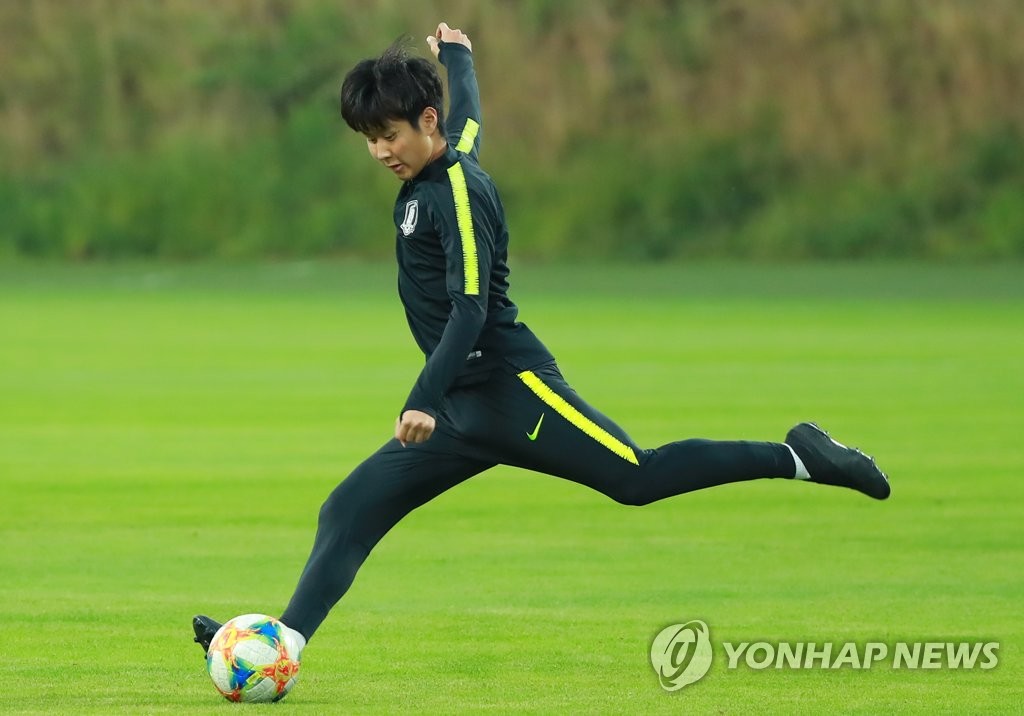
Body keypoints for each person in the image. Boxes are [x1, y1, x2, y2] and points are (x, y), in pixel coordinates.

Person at [193, 22, 889, 661]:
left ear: (426, 122)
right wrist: (459, 56)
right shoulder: (440, 157)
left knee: (636, 478)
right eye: (369, 138)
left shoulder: (456, 194)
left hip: (508, 391)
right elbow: (470, 119)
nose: (379, 151)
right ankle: (281, 645)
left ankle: (800, 457)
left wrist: (422, 398)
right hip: (459, 409)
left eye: (389, 135)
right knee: (349, 508)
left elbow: (469, 309)